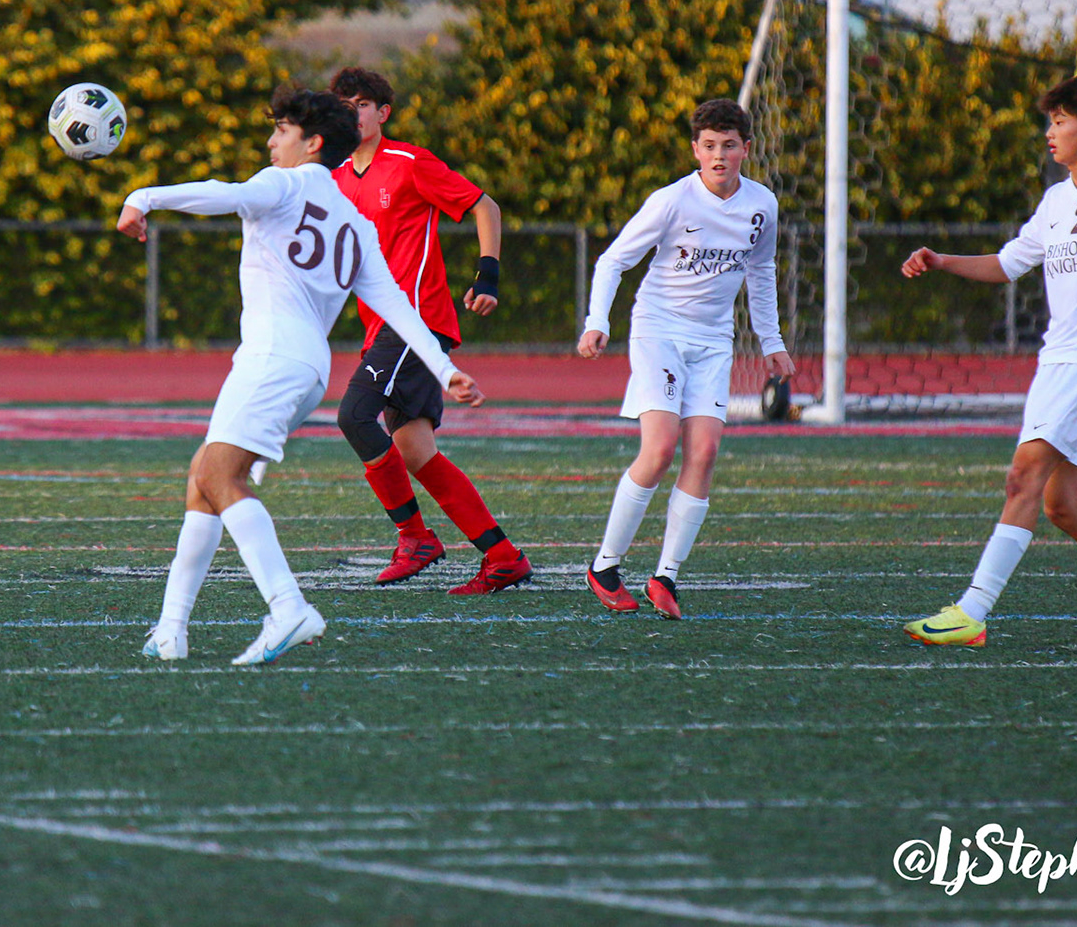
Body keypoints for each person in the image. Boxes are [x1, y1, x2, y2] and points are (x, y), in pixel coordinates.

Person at [117, 87, 486, 665]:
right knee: (203, 478)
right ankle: (170, 631)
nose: (271, 142)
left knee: (217, 475)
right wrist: (445, 369)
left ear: (312, 143)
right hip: (307, 365)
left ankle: (288, 607)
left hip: (273, 355)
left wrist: (142, 197)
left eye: (281, 131)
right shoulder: (356, 221)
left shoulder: (284, 184)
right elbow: (397, 306)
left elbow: (225, 194)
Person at [901, 72, 1077, 648]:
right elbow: (1009, 263)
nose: (1050, 131)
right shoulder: (1055, 201)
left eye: (1059, 121)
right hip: (1057, 359)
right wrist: (942, 260)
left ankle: (972, 612)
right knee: (1062, 504)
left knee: (1022, 475)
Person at [576, 99, 794, 619]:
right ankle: (605, 567)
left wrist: (772, 341)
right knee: (660, 449)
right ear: (695, 150)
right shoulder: (671, 201)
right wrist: (597, 321)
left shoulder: (762, 205)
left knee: (705, 451)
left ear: (746, 149)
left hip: (714, 340)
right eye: (709, 146)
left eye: (729, 146)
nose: (719, 156)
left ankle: (666, 577)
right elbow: (613, 260)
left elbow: (761, 271)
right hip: (660, 331)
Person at [327, 67, 528, 593]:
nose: (353, 113)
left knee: (353, 415)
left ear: (383, 113)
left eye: (362, 104)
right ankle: (503, 556)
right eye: (344, 105)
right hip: (381, 329)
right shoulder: (334, 176)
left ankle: (415, 537)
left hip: (416, 320)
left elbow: (484, 205)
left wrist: (488, 273)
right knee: (417, 452)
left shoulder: (409, 161)